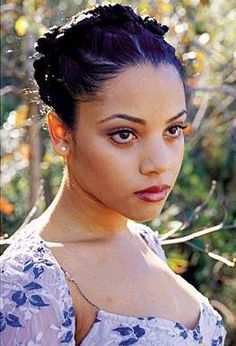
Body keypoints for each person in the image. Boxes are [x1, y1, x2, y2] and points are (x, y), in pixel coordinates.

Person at [0, 3, 226, 345]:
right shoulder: (30, 282)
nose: (159, 163)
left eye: (173, 129)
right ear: (61, 133)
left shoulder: (142, 239)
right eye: (124, 134)